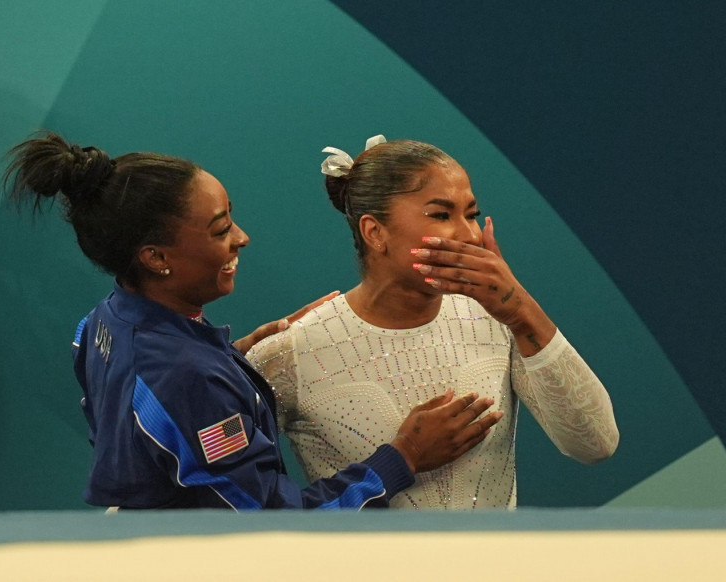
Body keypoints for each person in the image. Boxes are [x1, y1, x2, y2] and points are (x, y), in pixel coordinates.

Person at [2, 131, 504, 510]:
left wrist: (230, 361)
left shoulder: (103, 323)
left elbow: (139, 419)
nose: (242, 238)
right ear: (156, 257)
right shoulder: (186, 375)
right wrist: (404, 455)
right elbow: (274, 526)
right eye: (220, 230)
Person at [247, 135, 619, 510]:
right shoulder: (289, 354)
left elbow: (596, 444)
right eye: (441, 215)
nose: (469, 234)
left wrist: (520, 311)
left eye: (471, 214)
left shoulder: (498, 318)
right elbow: (243, 505)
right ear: (375, 233)